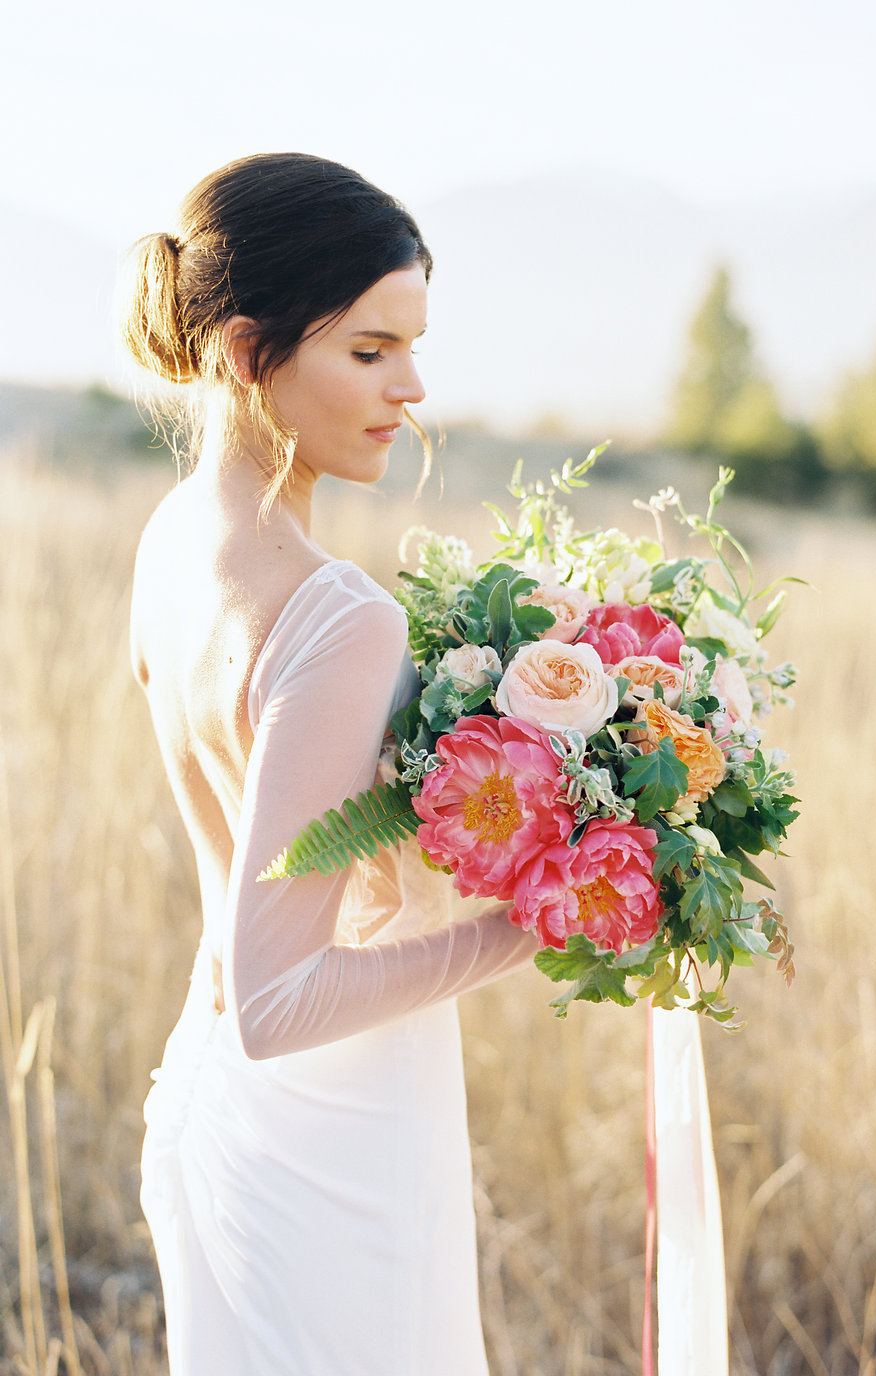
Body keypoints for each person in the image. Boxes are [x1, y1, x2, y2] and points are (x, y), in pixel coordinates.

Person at [122, 152, 539, 1376]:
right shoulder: (336, 613)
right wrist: (545, 915)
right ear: (249, 353)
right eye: (368, 351)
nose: (409, 387)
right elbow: (278, 1001)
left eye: (411, 346)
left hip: (209, 1105)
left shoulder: (170, 538)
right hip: (332, 1138)